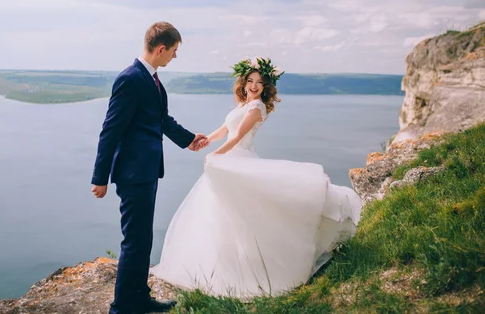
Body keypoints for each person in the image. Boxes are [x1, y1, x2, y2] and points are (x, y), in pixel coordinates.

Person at [150, 57, 362, 298]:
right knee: (221, 214)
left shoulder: (256, 108)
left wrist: (215, 155)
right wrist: (203, 140)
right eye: (250, 81)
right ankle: (220, 263)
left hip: (238, 160)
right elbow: (225, 129)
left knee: (241, 215)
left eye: (259, 82)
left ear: (266, 86)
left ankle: (250, 267)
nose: (253, 86)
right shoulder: (242, 105)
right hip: (229, 160)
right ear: (243, 83)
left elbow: (239, 135)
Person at [90, 21, 209, 314]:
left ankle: (139, 298)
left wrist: (189, 139)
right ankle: (122, 308)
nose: (175, 57)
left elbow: (161, 120)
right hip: (133, 175)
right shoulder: (130, 79)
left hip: (146, 172)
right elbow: (110, 130)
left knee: (143, 240)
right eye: (174, 51)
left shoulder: (151, 78)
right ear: (160, 48)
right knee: (134, 241)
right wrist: (100, 177)